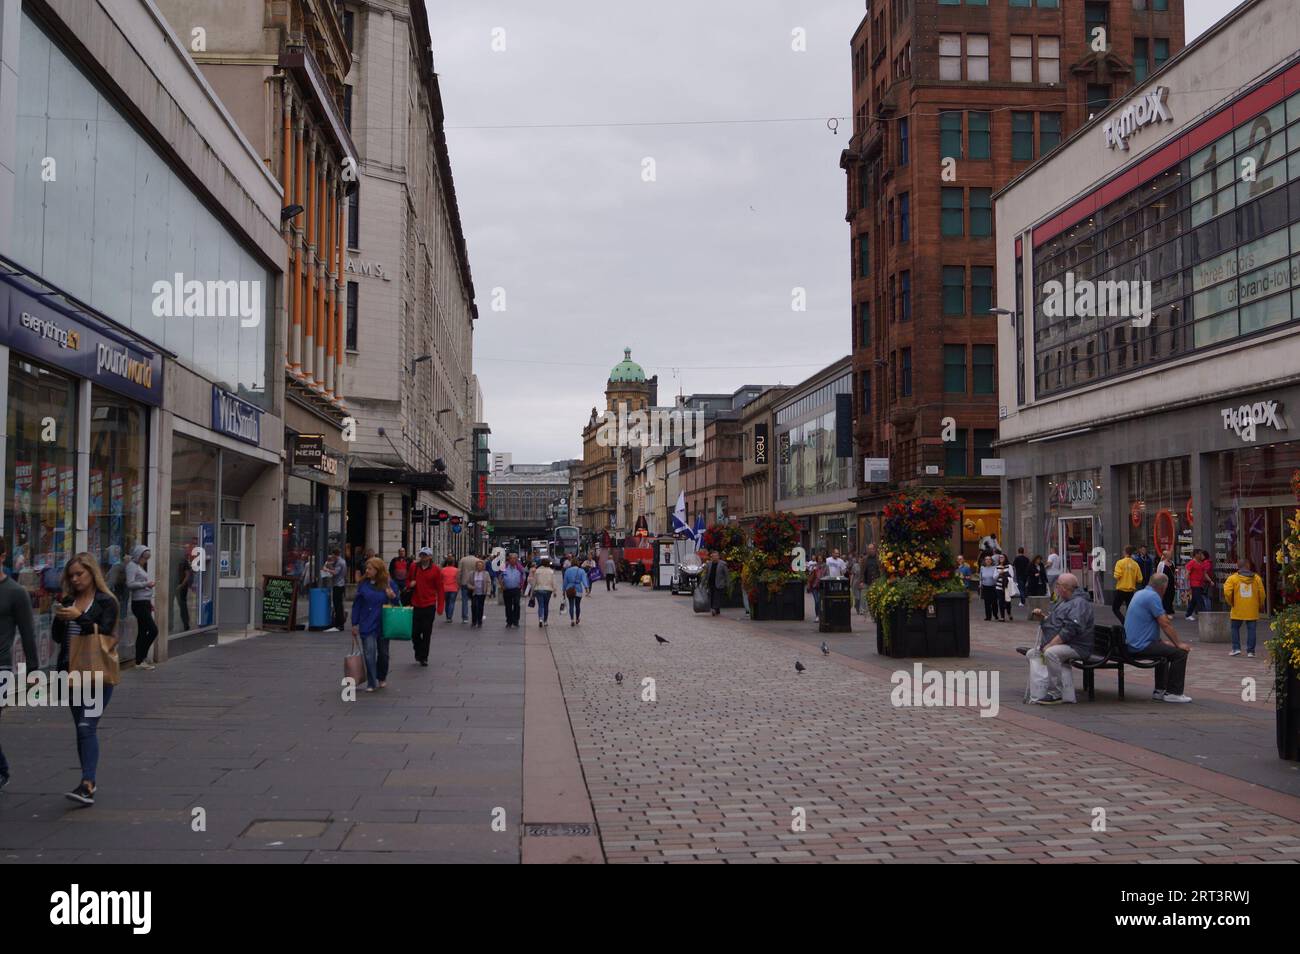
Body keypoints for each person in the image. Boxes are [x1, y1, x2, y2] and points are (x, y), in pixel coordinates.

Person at [52, 552, 120, 805]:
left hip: (97, 675)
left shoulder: (106, 601)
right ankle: (87, 779)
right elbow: (59, 638)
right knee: (81, 727)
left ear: (92, 573)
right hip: (72, 674)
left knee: (86, 726)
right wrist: (60, 618)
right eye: (71, 576)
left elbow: (105, 631)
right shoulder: (69, 599)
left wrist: (79, 616)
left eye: (80, 574)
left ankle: (87, 783)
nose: (76, 579)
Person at [0, 535, 38, 792]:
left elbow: (27, 633)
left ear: (3, 557)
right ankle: (1, 768)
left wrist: (34, 671)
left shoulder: (15, 592)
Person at [1124, 573, 1193, 702]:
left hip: (1131, 643)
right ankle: (1174, 693)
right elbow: (1165, 623)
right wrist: (1178, 643)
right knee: (1180, 653)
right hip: (1140, 645)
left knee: (1164, 650)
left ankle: (1160, 690)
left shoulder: (1140, 593)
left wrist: (1162, 642)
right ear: (1163, 587)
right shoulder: (1152, 597)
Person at [1028, 572, 1095, 704]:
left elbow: (1070, 629)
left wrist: (1050, 644)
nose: (1056, 588)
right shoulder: (1064, 602)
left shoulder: (1079, 603)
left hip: (1077, 646)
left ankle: (1056, 692)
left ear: (1064, 587)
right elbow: (1057, 623)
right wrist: (1043, 618)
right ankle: (1042, 687)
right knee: (1032, 654)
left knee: (1050, 653)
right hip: (1066, 643)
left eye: (1057, 585)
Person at [351, 557, 399, 692]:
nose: (367, 571)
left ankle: (381, 676)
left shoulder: (388, 583)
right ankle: (371, 682)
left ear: (378, 570)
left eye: (370, 568)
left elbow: (397, 603)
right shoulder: (363, 584)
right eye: (367, 568)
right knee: (369, 653)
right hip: (367, 623)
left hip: (384, 624)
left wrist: (393, 597)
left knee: (383, 654)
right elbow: (357, 605)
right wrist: (354, 624)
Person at [407, 548, 443, 666]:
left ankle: (424, 657)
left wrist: (440, 607)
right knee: (415, 633)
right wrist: (410, 584)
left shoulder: (436, 570)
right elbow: (407, 581)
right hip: (416, 604)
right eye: (422, 555)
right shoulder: (414, 567)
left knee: (426, 632)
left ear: (430, 557)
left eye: (426, 555)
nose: (423, 557)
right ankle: (418, 651)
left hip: (429, 604)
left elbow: (440, 589)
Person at [1223, 558, 1265, 658]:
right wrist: (1260, 604)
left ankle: (1236, 648)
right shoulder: (1256, 578)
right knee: (1251, 629)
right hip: (1252, 609)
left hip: (1237, 608)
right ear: (1248, 566)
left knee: (1235, 628)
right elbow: (1262, 593)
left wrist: (1231, 602)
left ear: (1238, 566)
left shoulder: (1232, 578)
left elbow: (1227, 592)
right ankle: (1251, 651)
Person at [125, 544, 158, 670]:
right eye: (144, 558)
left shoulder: (138, 566)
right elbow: (130, 584)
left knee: (143, 632)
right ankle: (141, 657)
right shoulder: (132, 566)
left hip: (144, 602)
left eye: (146, 558)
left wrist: (149, 603)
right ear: (138, 555)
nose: (145, 561)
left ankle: (139, 661)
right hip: (139, 603)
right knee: (153, 630)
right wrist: (146, 584)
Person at [1112, 546, 1141, 620]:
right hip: (1131, 591)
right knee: (1129, 610)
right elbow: (1140, 579)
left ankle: (1124, 622)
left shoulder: (1120, 562)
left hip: (1121, 589)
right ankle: (1130, 624)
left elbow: (1117, 576)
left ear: (1125, 552)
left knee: (1115, 608)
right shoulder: (1135, 564)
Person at [499, 552, 527, 628]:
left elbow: (524, 576)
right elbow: (500, 577)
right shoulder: (504, 567)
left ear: (517, 559)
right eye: (511, 558)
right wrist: (502, 586)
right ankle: (509, 621)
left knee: (516, 604)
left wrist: (521, 585)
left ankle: (516, 621)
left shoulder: (520, 567)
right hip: (507, 589)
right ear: (509, 559)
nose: (512, 560)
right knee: (508, 606)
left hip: (516, 589)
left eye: (514, 558)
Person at [323, 548, 347, 632]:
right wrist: (330, 566)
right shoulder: (341, 561)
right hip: (340, 584)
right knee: (338, 604)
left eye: (332, 555)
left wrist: (327, 570)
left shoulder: (340, 562)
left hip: (338, 585)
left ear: (335, 554)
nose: (332, 557)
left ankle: (339, 624)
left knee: (338, 605)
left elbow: (335, 572)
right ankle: (338, 623)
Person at [1185, 549, 1212, 620]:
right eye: (1200, 554)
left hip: (1200, 584)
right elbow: (1187, 574)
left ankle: (1188, 614)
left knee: (1194, 600)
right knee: (1199, 599)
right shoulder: (1191, 563)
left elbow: (1204, 573)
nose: (1201, 555)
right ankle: (1204, 615)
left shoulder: (1201, 563)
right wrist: (1187, 585)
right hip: (1194, 584)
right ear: (1196, 555)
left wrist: (1210, 581)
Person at [531, 557, 557, 627]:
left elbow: (534, 582)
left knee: (540, 605)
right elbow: (553, 582)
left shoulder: (537, 571)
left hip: (538, 590)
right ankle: (545, 621)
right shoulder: (551, 571)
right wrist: (555, 591)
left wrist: (532, 591)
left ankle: (540, 619)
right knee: (546, 605)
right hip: (548, 590)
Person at [563, 558, 590, 626]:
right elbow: (584, 580)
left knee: (571, 605)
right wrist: (586, 588)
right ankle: (577, 619)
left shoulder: (567, 571)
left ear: (571, 563)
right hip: (578, 589)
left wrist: (563, 590)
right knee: (577, 605)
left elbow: (565, 582)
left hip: (569, 589)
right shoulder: (581, 571)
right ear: (578, 563)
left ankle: (572, 620)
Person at [173, 546, 193, 632]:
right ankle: (185, 624)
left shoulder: (182, 561)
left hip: (180, 586)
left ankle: (185, 624)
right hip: (179, 586)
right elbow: (187, 574)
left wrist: (181, 585)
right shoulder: (182, 561)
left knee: (182, 604)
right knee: (182, 605)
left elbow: (187, 575)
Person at [705, 550, 730, 616]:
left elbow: (726, 575)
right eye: (713, 556)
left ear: (718, 557)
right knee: (712, 596)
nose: (714, 557)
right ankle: (717, 610)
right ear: (711, 557)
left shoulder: (723, 564)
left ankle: (714, 609)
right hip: (711, 583)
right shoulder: (709, 564)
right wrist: (704, 582)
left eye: (716, 556)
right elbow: (706, 573)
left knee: (717, 597)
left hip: (719, 583)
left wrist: (727, 584)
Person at [457, 551, 479, 624]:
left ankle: (465, 617)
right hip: (474, 583)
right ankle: (475, 617)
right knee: (475, 601)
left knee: (464, 601)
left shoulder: (463, 560)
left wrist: (458, 581)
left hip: (464, 582)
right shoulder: (477, 560)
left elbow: (459, 571)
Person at [1154, 551, 1177, 616]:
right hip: (1164, 582)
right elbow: (1158, 573)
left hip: (1171, 582)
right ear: (1166, 555)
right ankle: (1166, 611)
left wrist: (1175, 580)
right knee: (1166, 596)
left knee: (1171, 595)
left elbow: (1174, 573)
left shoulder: (1172, 563)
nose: (1170, 555)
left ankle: (1169, 609)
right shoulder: (1161, 564)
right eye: (1169, 554)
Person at [470, 559, 490, 627]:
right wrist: (472, 587)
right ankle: (474, 621)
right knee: (474, 606)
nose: (479, 567)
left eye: (480, 566)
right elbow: (468, 583)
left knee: (480, 607)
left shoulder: (486, 573)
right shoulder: (472, 573)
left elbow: (488, 583)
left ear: (483, 567)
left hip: (482, 593)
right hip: (474, 593)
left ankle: (479, 621)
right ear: (476, 566)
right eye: (478, 565)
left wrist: (488, 592)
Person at [979, 556, 999, 621]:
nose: (988, 561)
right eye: (986, 559)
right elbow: (981, 577)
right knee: (987, 602)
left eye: (989, 559)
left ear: (991, 561)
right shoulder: (982, 568)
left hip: (993, 587)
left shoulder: (994, 568)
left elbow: (996, 576)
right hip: (985, 587)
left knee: (994, 602)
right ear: (984, 561)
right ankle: (988, 616)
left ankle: (995, 614)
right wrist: (980, 584)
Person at [440, 557, 460, 622]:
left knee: (447, 603)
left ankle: (447, 616)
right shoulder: (456, 570)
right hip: (453, 588)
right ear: (453, 563)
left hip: (445, 588)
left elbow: (440, 579)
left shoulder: (443, 570)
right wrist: (458, 587)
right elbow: (458, 579)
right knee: (452, 603)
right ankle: (449, 617)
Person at [995, 555, 1013, 621]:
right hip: (999, 587)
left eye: (1002, 557)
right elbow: (994, 577)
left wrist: (1005, 573)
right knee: (1000, 601)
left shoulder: (1009, 566)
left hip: (1007, 587)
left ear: (1005, 558)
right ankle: (1002, 617)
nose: (1001, 559)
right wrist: (999, 574)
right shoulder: (997, 567)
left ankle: (1009, 613)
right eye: (1000, 558)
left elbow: (1012, 576)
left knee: (1008, 601)